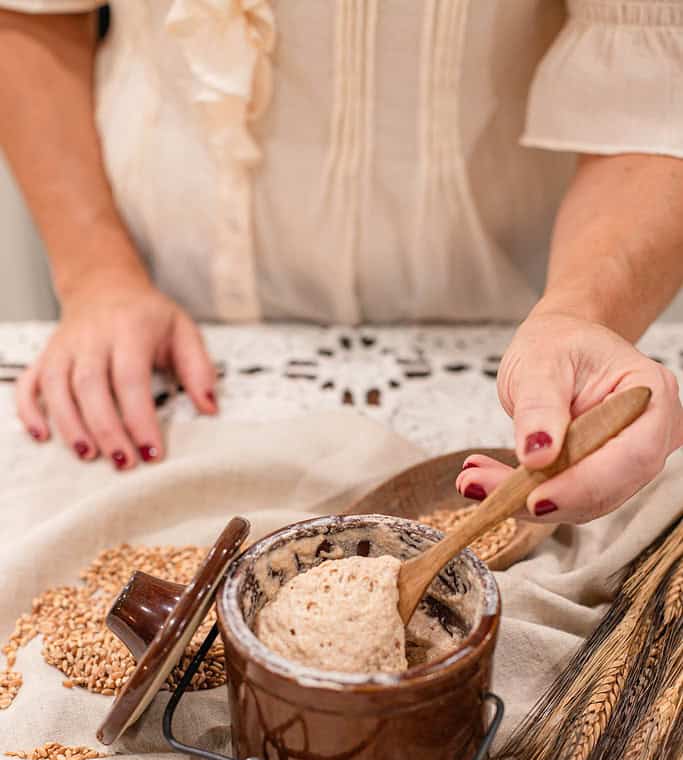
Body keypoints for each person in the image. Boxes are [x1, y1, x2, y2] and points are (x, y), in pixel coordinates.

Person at [0, 1, 681, 525]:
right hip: (161, 298)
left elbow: (650, 77)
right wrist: (97, 275)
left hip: (509, 318)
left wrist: (576, 313)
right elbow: (34, 13)